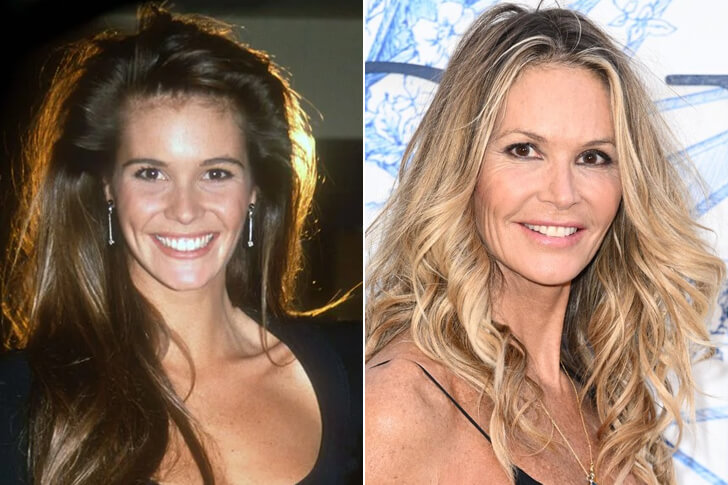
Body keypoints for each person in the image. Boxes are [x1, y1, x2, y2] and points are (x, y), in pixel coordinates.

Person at [365, 4, 725, 485]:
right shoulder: (397, 409)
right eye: (524, 150)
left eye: (593, 157)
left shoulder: (617, 412)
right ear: (463, 169)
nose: (562, 193)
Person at [0, 4, 358, 484]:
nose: (185, 209)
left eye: (216, 173)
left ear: (254, 189)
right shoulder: (17, 402)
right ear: (107, 187)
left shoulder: (355, 370)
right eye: (151, 173)